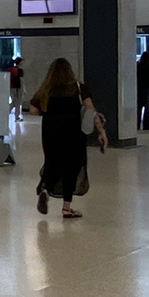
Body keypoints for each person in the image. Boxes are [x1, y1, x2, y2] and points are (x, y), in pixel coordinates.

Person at [28, 58, 103, 219]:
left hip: (51, 131)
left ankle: (46, 190)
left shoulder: (47, 89)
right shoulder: (78, 88)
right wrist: (101, 131)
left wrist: (48, 112)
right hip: (73, 131)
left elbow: (33, 110)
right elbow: (91, 110)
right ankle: (66, 208)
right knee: (72, 167)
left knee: (53, 162)